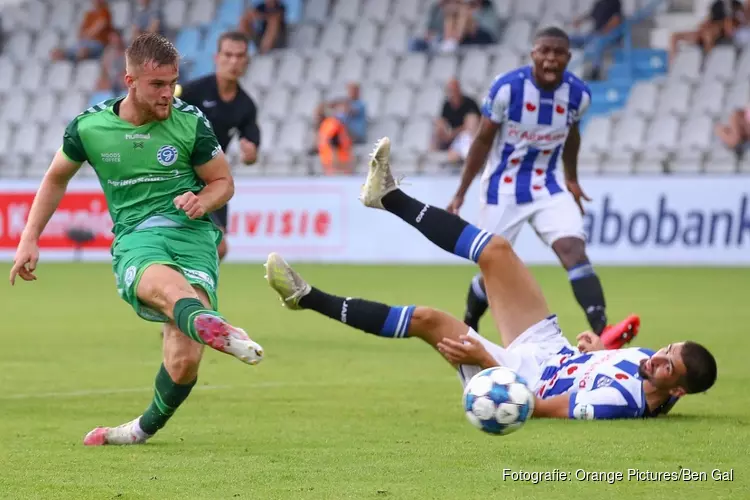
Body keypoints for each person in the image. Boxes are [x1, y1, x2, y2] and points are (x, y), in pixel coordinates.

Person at [265, 137, 718, 420]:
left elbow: (538, 408)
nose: (658, 357)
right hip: (552, 351)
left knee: (428, 319)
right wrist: (597, 353)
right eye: (667, 349)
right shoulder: (651, 371)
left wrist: (483, 355)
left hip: (523, 376)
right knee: (498, 251)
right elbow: (611, 369)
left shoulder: (622, 405)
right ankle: (389, 197)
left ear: (676, 388)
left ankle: (305, 297)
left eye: (667, 365)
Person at [9, 33, 265, 446]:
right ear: (130, 81)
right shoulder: (90, 127)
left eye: (172, 83)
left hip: (192, 235)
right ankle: (210, 324)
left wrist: (203, 200)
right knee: (169, 289)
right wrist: (29, 239)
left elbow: (223, 182)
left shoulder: (190, 122)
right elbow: (56, 177)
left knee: (183, 363)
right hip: (137, 237)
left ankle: (139, 429)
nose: (168, 94)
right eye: (157, 85)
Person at [446, 26, 637, 349]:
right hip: (502, 188)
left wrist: (572, 178)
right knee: (493, 267)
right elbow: (482, 139)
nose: (550, 59)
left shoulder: (579, 95)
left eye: (558, 52)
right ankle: (470, 321)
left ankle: (604, 331)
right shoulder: (507, 89)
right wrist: (462, 191)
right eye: (544, 51)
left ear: (568, 57)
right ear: (533, 54)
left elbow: (573, 136)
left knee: (573, 252)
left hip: (548, 186)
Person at [176, 31, 261, 261]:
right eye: (228, 55)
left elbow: (252, 148)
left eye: (239, 56)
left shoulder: (246, 106)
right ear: (217, 57)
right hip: (178, 175)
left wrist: (249, 153)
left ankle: (190, 293)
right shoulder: (192, 91)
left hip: (212, 180)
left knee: (219, 248)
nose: (233, 61)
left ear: (247, 60)